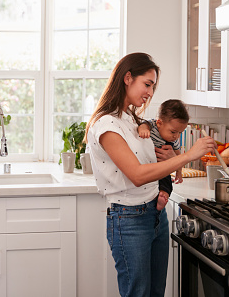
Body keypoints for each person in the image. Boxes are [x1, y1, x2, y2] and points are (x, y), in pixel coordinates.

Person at [84, 52, 216, 297]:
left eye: (153, 87)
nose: (150, 93)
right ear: (127, 78)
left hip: (154, 213)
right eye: (147, 84)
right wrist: (185, 156)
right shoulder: (106, 124)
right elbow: (136, 174)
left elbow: (145, 161)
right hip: (129, 219)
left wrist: (165, 159)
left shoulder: (132, 119)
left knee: (156, 292)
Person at [138, 99, 189, 211]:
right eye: (173, 132)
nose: (176, 136)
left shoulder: (173, 140)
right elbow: (143, 124)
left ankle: (163, 196)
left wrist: (179, 172)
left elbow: (178, 156)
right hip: (148, 167)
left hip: (162, 169)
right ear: (159, 123)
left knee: (166, 182)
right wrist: (143, 130)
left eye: (180, 132)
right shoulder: (151, 126)